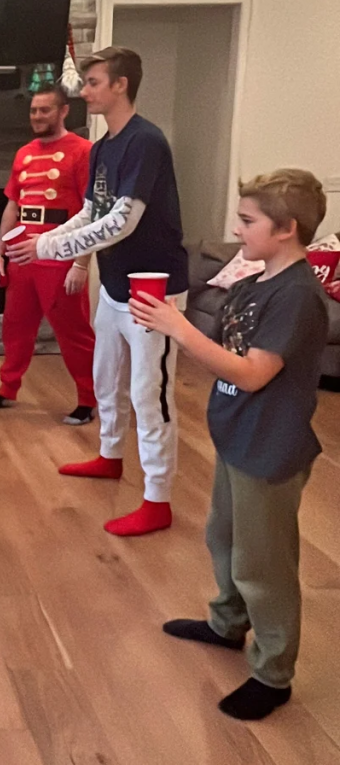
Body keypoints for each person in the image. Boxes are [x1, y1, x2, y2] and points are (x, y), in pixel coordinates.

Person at [130, 169, 328, 720]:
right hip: (238, 436)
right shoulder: (255, 282)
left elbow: (253, 373)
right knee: (225, 539)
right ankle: (227, 624)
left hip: (272, 447)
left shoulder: (297, 297)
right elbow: (221, 344)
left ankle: (273, 672)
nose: (237, 231)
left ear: (286, 228)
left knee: (262, 563)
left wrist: (179, 330)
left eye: (247, 221)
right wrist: (166, 319)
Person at [8, 47, 189, 537]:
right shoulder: (106, 144)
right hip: (112, 283)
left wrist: (46, 246)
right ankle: (110, 455)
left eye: (92, 82)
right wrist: (46, 242)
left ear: (120, 85)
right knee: (107, 378)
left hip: (153, 288)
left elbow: (123, 220)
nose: (84, 91)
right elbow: (92, 211)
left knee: (151, 393)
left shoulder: (146, 142)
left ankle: (158, 499)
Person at [0, 83, 97, 425]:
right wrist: (0, 254)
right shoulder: (24, 153)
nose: (38, 116)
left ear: (63, 111)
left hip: (60, 254)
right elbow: (12, 206)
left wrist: (81, 263)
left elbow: (94, 212)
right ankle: (7, 389)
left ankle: (88, 399)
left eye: (45, 110)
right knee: (15, 327)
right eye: (34, 110)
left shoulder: (84, 151)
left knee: (73, 330)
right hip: (22, 255)